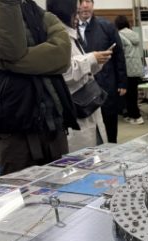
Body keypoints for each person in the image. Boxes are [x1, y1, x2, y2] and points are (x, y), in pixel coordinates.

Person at [0, 0, 78, 175]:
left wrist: (5, 62)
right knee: (19, 188)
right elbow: (9, 48)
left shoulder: (40, 13)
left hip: (53, 122)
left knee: (63, 185)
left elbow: (62, 55)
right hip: (16, 125)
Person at [47, 0, 110, 152]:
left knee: (97, 151)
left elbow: (81, 69)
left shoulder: (71, 35)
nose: (78, 15)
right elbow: (65, 72)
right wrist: (91, 59)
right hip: (75, 107)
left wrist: (97, 61)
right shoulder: (56, 37)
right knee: (83, 156)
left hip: (89, 105)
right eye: (75, 12)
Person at [78, 0, 127, 143]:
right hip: (81, 88)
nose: (85, 5)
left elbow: (119, 55)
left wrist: (122, 82)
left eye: (88, 1)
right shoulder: (69, 29)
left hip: (105, 85)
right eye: (81, 1)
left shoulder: (106, 26)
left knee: (109, 126)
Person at [114, 15, 144, 125]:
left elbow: (119, 53)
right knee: (133, 94)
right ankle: (133, 115)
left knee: (129, 95)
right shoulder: (134, 34)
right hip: (136, 68)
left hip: (127, 68)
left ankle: (136, 116)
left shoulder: (119, 36)